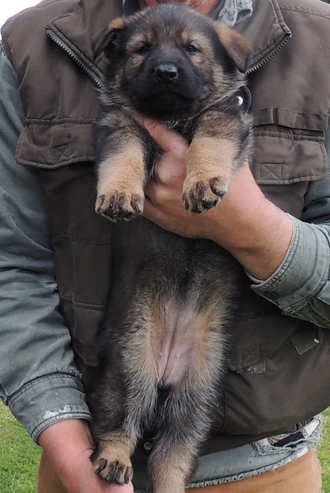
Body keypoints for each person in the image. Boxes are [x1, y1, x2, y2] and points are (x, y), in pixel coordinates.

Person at [0, 0, 330, 491]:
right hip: (84, 460)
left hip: (266, 465)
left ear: (223, 59)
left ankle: (173, 470)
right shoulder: (28, 42)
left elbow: (222, 130)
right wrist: (68, 446)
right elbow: (12, 266)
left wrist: (250, 227)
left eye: (191, 51)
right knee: (129, 357)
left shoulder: (320, 41)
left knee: (197, 386)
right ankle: (117, 441)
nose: (168, 64)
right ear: (112, 55)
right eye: (143, 52)